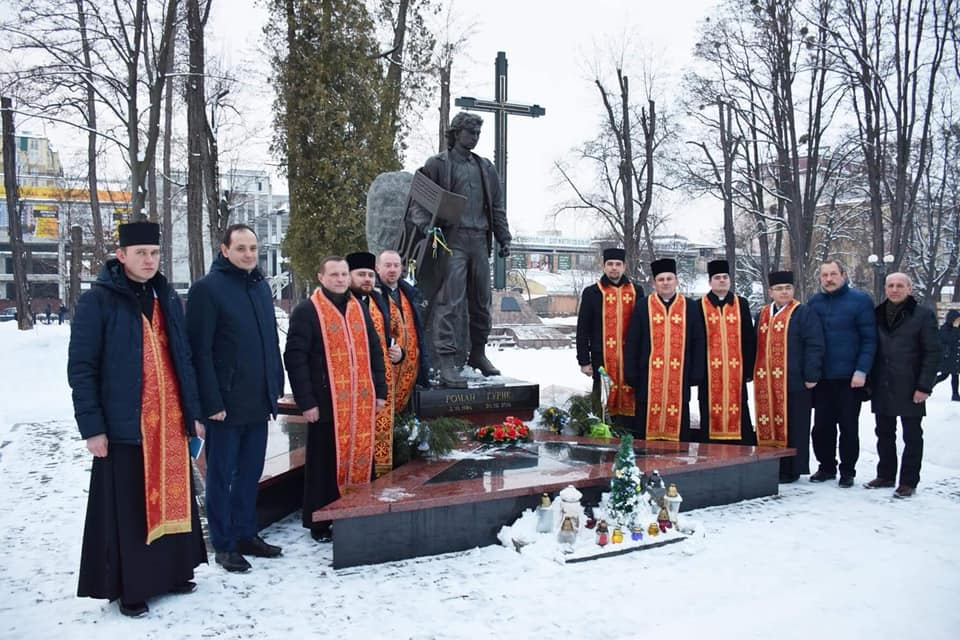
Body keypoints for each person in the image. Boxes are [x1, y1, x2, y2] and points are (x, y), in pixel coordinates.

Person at [68, 221, 206, 617]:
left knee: (174, 499)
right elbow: (82, 367)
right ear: (121, 255)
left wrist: (193, 413)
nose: (149, 260)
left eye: (154, 253)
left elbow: (183, 359)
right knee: (131, 510)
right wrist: (93, 428)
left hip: (170, 423)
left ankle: (174, 572)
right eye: (141, 253)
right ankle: (132, 588)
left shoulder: (166, 296)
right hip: (125, 427)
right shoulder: (98, 301)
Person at [186, 223, 285, 573]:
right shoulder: (207, 290)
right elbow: (199, 351)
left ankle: (246, 533)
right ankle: (224, 543)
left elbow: (270, 340)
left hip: (257, 399)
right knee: (221, 475)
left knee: (250, 472)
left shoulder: (259, 287)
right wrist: (210, 403)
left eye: (253, 248)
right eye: (241, 248)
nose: (248, 254)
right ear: (224, 250)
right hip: (225, 405)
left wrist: (275, 382)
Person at [283, 256, 387, 541]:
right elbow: (295, 358)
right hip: (326, 403)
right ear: (321, 277)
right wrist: (307, 402)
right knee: (324, 466)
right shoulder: (307, 310)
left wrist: (380, 392)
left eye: (343, 274)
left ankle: (355, 512)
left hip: (359, 402)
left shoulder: (358, 308)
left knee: (359, 458)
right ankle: (321, 522)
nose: (340, 279)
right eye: (334, 275)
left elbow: (375, 350)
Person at [408, 111, 512, 387]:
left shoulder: (486, 167)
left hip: (479, 240)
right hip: (451, 241)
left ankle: (478, 353)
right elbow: (419, 202)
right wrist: (427, 227)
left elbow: (497, 207)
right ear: (456, 133)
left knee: (482, 302)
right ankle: (445, 361)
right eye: (470, 132)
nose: (475, 137)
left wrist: (504, 237)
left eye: (478, 133)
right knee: (450, 302)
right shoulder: (437, 164)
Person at [864, 273, 940, 498]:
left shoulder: (922, 315)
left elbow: (932, 352)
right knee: (884, 433)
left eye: (899, 285)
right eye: (890, 285)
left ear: (909, 289)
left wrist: (924, 386)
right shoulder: (877, 313)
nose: (894, 289)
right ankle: (886, 475)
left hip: (910, 384)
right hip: (883, 383)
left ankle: (908, 481)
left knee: (912, 436)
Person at [807, 259, 877, 487]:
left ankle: (848, 470)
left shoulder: (860, 301)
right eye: (824, 275)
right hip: (822, 377)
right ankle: (826, 466)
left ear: (843, 275)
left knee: (848, 426)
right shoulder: (814, 302)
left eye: (833, 274)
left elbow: (869, 339)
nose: (829, 279)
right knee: (821, 427)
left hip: (850, 377)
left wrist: (862, 370)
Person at [754, 271, 825, 483]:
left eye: (787, 288)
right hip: (766, 381)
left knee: (795, 425)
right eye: (779, 289)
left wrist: (812, 374)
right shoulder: (763, 314)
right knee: (768, 423)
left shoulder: (803, 312)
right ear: (770, 292)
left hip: (795, 380)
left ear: (793, 290)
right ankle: (770, 464)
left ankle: (792, 468)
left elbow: (815, 344)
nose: (783, 292)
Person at [624, 258, 705, 442]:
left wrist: (696, 372)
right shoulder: (643, 306)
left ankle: (677, 459)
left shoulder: (690, 306)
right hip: (648, 377)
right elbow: (633, 341)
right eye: (661, 279)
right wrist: (631, 372)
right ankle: (645, 458)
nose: (665, 283)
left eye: (669, 278)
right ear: (654, 283)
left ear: (676, 281)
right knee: (645, 426)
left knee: (679, 427)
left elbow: (698, 341)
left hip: (680, 376)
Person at [575, 247, 643, 432]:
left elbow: (643, 327)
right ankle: (602, 439)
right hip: (602, 359)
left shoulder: (636, 291)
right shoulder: (592, 292)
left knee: (631, 404)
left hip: (630, 360)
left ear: (624, 267)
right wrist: (584, 360)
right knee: (602, 403)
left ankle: (630, 439)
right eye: (610, 264)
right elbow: (583, 329)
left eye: (618, 264)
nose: (614, 268)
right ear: (603, 266)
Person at [348, 251, 401, 477]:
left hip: (379, 379)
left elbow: (391, 335)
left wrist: (399, 352)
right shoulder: (341, 302)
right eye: (361, 274)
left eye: (370, 275)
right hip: (351, 382)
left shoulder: (379, 300)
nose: (367, 279)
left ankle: (377, 481)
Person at [696, 259, 757, 445]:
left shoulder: (741, 304)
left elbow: (749, 338)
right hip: (709, 373)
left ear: (730, 280)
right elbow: (696, 341)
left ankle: (741, 451)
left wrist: (748, 369)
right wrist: (698, 372)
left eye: (725, 277)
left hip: (736, 372)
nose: (721, 280)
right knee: (708, 411)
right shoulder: (699, 305)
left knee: (740, 410)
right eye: (717, 277)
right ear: (710, 282)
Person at [376, 249, 430, 412]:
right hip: (385, 372)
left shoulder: (410, 294)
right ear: (378, 268)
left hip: (410, 371)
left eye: (396, 265)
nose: (392, 269)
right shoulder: (373, 295)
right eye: (387, 265)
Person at [936, 309, 960, 401]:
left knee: (955, 375)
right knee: (944, 375)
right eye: (957, 319)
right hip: (947, 357)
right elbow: (950, 340)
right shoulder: (944, 329)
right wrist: (955, 328)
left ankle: (955, 394)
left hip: (956, 356)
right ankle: (927, 386)